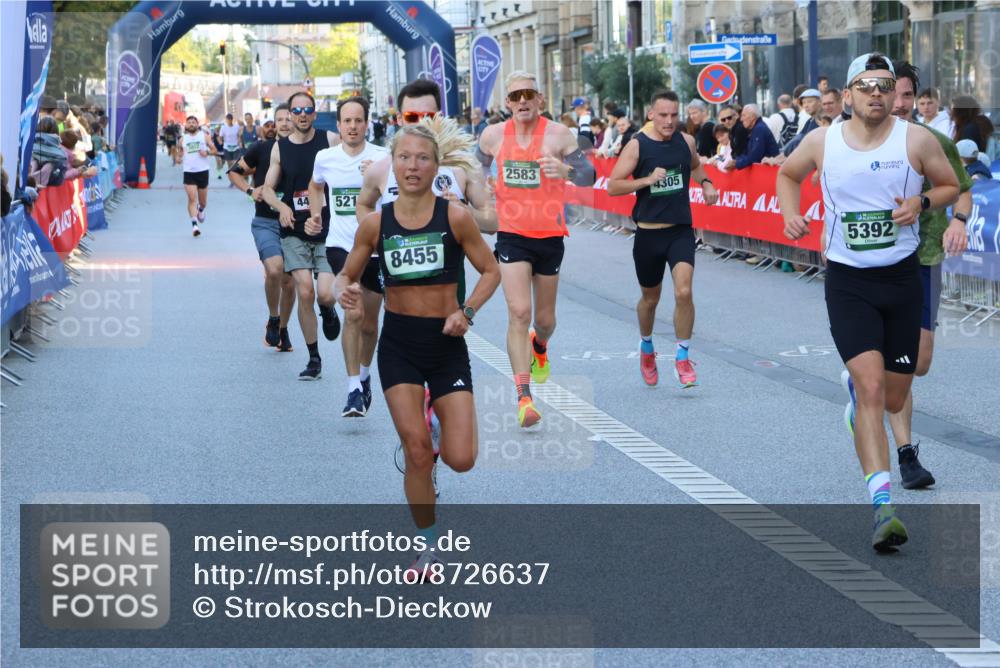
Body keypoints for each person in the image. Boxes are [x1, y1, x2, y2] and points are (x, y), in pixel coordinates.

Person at [778, 53, 959, 552]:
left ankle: (860, 403)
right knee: (873, 389)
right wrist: (791, 214)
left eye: (884, 85)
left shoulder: (916, 140)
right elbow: (787, 175)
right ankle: (883, 508)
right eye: (866, 85)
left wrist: (922, 202)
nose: (876, 93)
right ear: (848, 94)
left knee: (895, 398)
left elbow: (949, 185)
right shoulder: (822, 141)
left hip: (902, 281)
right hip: (849, 284)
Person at [334, 124, 500, 577]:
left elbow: (490, 272)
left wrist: (467, 312)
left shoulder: (455, 217)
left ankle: (433, 422)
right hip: (399, 346)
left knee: (462, 460)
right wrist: (344, 291)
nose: (413, 166)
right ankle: (427, 548)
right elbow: (346, 275)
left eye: (422, 158)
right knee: (417, 453)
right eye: (404, 158)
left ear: (436, 166)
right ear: (392, 165)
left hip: (446, 345)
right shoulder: (376, 224)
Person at [477, 70, 596, 427]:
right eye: (516, 96)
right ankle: (524, 397)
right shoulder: (492, 135)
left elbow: (589, 176)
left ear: (540, 99)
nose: (523, 101)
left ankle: (539, 346)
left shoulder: (559, 134)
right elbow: (476, 167)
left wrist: (564, 170)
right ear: (508, 103)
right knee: (519, 312)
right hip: (511, 233)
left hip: (549, 235)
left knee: (544, 321)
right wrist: (483, 185)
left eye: (529, 94)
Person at [876, 61, 973, 490]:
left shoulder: (931, 140)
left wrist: (958, 221)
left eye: (907, 95)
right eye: (891, 93)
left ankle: (868, 387)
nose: (899, 104)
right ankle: (906, 455)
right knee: (890, 357)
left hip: (923, 256)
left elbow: (962, 188)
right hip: (873, 264)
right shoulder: (852, 141)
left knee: (919, 362)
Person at [608, 89, 719, 388]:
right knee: (650, 299)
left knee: (684, 292)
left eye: (673, 115)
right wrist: (646, 180)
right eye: (663, 115)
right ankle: (646, 347)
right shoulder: (637, 145)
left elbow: (695, 166)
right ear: (651, 115)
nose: (669, 121)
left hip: (679, 231)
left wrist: (707, 183)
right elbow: (613, 186)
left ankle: (682, 357)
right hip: (648, 234)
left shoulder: (686, 141)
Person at [308, 96, 389, 416]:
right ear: (338, 126)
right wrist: (317, 213)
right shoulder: (325, 157)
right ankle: (353, 388)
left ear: (367, 124)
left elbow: (399, 196)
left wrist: (380, 179)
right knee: (353, 313)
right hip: (341, 246)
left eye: (358, 121)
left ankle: (365, 376)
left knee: (370, 323)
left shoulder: (383, 157)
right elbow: (315, 186)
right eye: (347, 121)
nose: (353, 126)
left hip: (376, 248)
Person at [261, 91, 344, 380]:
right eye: (296, 111)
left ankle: (328, 310)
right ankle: (314, 358)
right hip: (294, 231)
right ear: (290, 115)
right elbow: (267, 189)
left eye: (307, 110)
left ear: (314, 113)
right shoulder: (280, 148)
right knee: (305, 291)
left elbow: (351, 165)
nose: (302, 115)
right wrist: (282, 206)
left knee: (325, 294)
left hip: (327, 230)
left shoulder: (330, 140)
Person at [228, 105, 297, 353]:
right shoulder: (261, 149)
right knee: (274, 269)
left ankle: (283, 329)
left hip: (294, 224)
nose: (285, 123)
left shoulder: (306, 150)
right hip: (265, 222)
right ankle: (273, 317)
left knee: (289, 282)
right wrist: (250, 190)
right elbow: (234, 172)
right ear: (274, 124)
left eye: (288, 119)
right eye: (280, 119)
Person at [180, 115, 215, 237]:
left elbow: (214, 150)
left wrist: (207, 152)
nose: (191, 124)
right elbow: (179, 153)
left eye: (193, 122)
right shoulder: (182, 139)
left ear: (197, 124)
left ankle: (201, 209)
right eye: (189, 122)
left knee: (203, 202)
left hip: (202, 171)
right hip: (189, 172)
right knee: (192, 198)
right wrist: (178, 158)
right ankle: (194, 226)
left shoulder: (204, 136)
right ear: (186, 125)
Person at [719, 104, 778, 171]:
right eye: (723, 120)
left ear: (752, 116)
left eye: (743, 115)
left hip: (769, 171)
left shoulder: (758, 129)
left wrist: (736, 163)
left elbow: (755, 156)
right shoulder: (755, 129)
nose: (741, 119)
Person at [219, 113, 242, 182]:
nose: (229, 121)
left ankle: (236, 179)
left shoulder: (236, 127)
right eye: (227, 120)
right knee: (229, 165)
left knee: (235, 163)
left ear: (232, 120)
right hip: (227, 148)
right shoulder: (223, 127)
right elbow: (220, 137)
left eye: (230, 119)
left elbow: (239, 135)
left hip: (236, 147)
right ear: (226, 120)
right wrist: (221, 142)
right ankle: (232, 180)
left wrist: (239, 141)